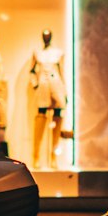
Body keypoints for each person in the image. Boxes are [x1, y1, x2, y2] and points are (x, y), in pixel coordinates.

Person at [28, 28, 67, 170]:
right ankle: (36, 156)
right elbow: (31, 71)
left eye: (48, 36)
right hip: (43, 87)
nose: (46, 39)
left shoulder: (58, 53)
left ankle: (53, 157)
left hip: (56, 86)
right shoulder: (37, 52)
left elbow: (62, 72)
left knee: (57, 119)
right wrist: (35, 84)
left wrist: (65, 91)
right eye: (44, 36)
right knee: (40, 117)